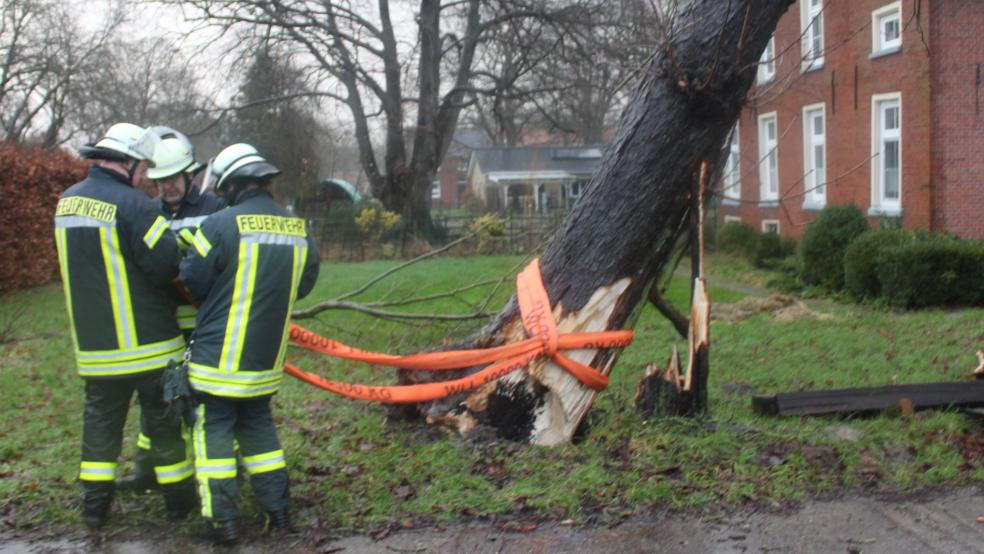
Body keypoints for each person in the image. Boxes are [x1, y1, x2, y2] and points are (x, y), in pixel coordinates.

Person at [53, 123, 197, 529]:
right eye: (143, 167)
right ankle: (178, 504)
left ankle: (94, 509)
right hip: (151, 349)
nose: (146, 176)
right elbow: (165, 266)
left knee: (100, 429)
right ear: (128, 162)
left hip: (95, 352)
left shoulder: (65, 204)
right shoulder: (137, 206)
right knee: (165, 427)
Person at [179, 143, 320, 544]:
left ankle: (221, 520)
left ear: (232, 185)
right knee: (259, 430)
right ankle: (278, 512)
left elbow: (192, 279)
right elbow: (304, 283)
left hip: (217, 360)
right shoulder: (298, 228)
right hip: (265, 362)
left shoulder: (218, 225)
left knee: (213, 432)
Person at [116, 126, 225, 492]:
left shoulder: (214, 209)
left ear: (190, 174)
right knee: (160, 402)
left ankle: (219, 470)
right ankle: (146, 470)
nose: (168, 187)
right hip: (164, 329)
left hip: (205, 328)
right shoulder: (147, 212)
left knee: (206, 403)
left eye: (174, 178)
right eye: (161, 180)